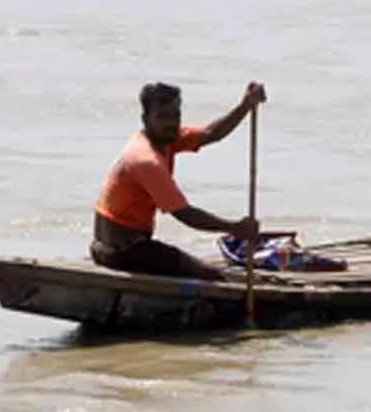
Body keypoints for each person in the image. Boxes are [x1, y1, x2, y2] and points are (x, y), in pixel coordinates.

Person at [89, 81, 265, 281]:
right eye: (162, 117)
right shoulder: (146, 160)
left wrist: (245, 105)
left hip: (123, 245)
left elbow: (210, 134)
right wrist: (235, 228)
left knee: (199, 267)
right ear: (146, 119)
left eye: (176, 115)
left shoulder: (166, 139)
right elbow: (184, 213)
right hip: (122, 252)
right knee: (213, 276)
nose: (171, 123)